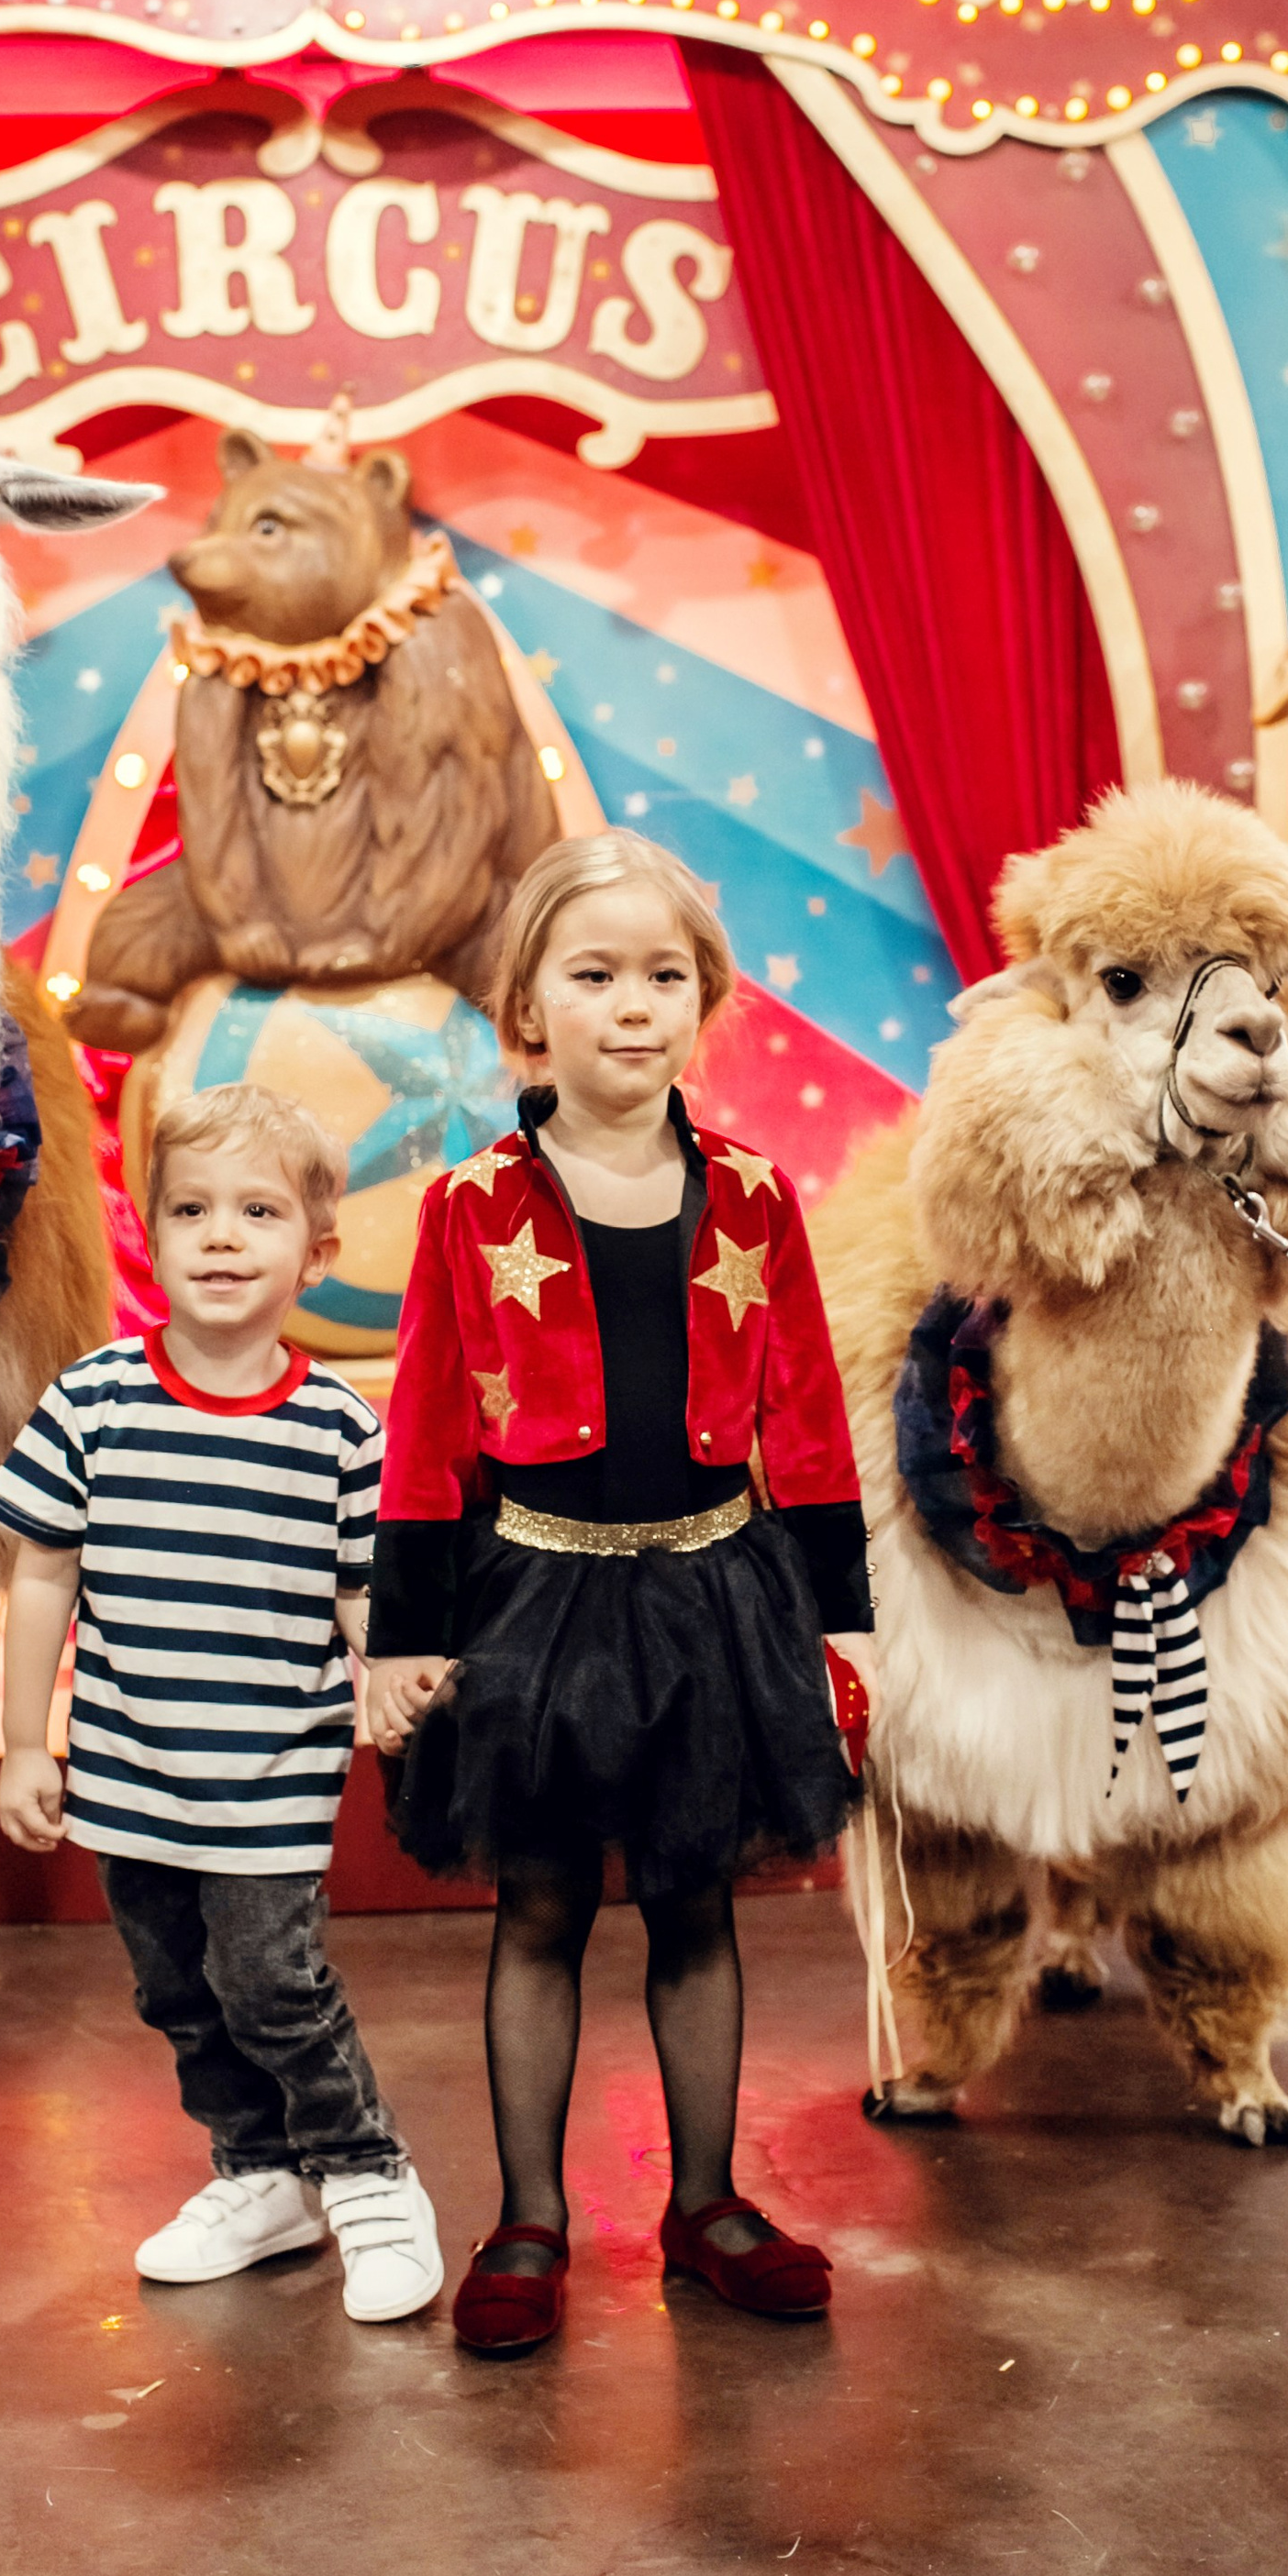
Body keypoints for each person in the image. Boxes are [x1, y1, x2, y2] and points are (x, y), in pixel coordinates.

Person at [364, 830, 875, 2356]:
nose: (632, 1006)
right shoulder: (470, 1206)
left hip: (716, 1597)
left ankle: (706, 2201)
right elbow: (426, 1427)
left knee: (695, 1903)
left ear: (704, 1004)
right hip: (539, 1598)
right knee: (537, 1908)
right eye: (595, 977)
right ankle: (528, 2216)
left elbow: (809, 1419)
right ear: (531, 1003)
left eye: (665, 977)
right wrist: (406, 1634)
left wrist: (844, 1615)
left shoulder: (762, 1202)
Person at [0, 1081, 443, 2325]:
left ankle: (367, 2174)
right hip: (130, 1773)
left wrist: (385, 1681)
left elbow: (364, 1600)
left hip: (267, 1783)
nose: (224, 1237)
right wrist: (24, 1744)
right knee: (176, 1992)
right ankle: (260, 2173)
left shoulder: (339, 1433)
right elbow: (41, 1577)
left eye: (257, 1212)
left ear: (319, 1251)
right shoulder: (94, 1400)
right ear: (152, 1235)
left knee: (270, 1983)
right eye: (192, 1211)